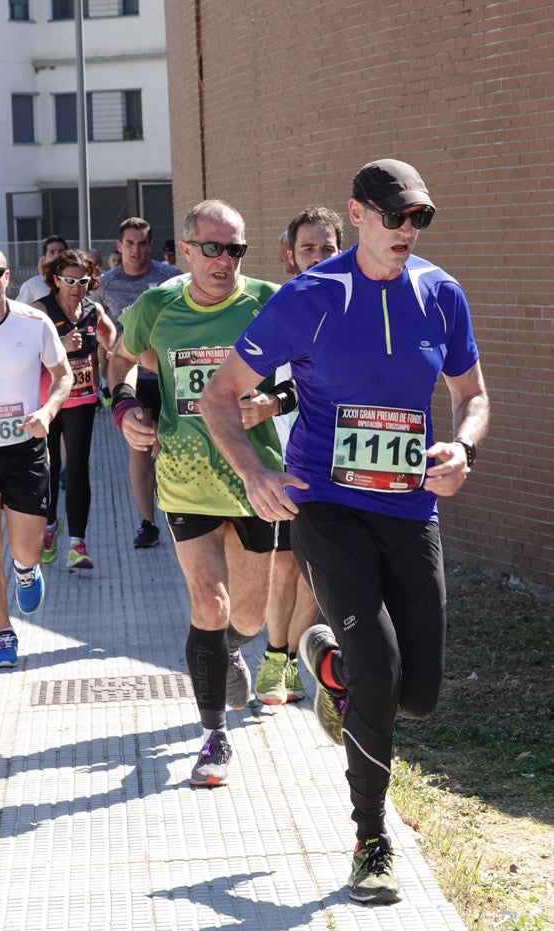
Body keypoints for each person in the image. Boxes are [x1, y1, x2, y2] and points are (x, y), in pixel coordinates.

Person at [200, 159, 490, 905]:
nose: (406, 231)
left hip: (407, 508)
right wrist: (254, 476)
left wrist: (462, 447)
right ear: (358, 213)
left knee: (416, 693)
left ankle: (325, 660)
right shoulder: (311, 297)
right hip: (324, 504)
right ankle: (370, 840)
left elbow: (472, 395)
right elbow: (220, 395)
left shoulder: (439, 293)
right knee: (380, 668)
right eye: (394, 217)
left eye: (418, 219)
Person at [107, 199, 284, 788]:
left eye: (235, 249)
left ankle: (230, 647)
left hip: (257, 479)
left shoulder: (267, 302)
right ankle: (214, 737)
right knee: (209, 603)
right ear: (185, 251)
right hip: (186, 479)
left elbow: (311, 374)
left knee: (251, 618)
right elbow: (120, 363)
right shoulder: (156, 306)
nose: (225, 261)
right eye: (213, 248)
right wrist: (127, 408)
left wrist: (275, 402)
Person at [244, 206, 344, 706]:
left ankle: (290, 654)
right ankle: (274, 657)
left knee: (314, 570)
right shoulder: (280, 305)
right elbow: (279, 380)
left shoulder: (354, 307)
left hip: (338, 461)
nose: (319, 257)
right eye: (309, 248)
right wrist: (268, 402)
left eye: (328, 248)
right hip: (287, 455)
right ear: (290, 257)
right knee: (283, 566)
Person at [0, 245, 72, 667]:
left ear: (8, 277)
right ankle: (3, 633)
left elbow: (64, 375)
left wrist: (47, 410)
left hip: (24, 449)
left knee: (25, 548)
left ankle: (26, 569)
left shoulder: (34, 322)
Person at [95, 217, 181, 548]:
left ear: (151, 245)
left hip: (169, 375)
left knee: (168, 446)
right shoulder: (106, 283)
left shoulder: (169, 278)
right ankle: (148, 523)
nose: (136, 249)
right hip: (132, 376)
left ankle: (178, 512)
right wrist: (107, 362)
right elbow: (99, 325)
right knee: (140, 447)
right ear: (119, 246)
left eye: (142, 243)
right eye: (129, 243)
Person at [32, 250, 116, 570]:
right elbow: (24, 357)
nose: (76, 287)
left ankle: (77, 544)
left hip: (81, 399)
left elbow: (113, 340)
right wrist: (59, 348)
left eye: (82, 281)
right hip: (47, 402)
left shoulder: (93, 311)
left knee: (78, 468)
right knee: (48, 469)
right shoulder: (41, 311)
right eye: (69, 280)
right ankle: (50, 526)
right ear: (56, 280)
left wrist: (118, 367)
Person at [14, 235, 68, 305]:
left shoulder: (74, 283)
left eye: (61, 251)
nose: (57, 256)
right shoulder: (32, 285)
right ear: (44, 259)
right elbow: (20, 312)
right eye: (52, 252)